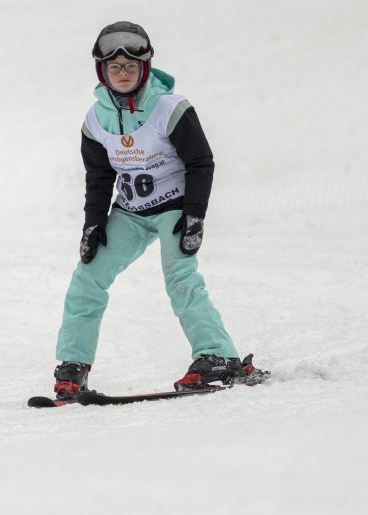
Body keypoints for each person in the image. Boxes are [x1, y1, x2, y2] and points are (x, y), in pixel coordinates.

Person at [51, 21, 255, 401]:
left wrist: (194, 216)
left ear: (144, 68)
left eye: (130, 66)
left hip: (174, 209)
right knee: (87, 277)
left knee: (180, 278)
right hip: (130, 212)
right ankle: (73, 364)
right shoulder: (95, 121)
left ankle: (218, 357)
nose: (122, 73)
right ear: (102, 71)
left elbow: (201, 162)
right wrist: (93, 225)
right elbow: (99, 177)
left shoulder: (169, 109)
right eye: (114, 67)